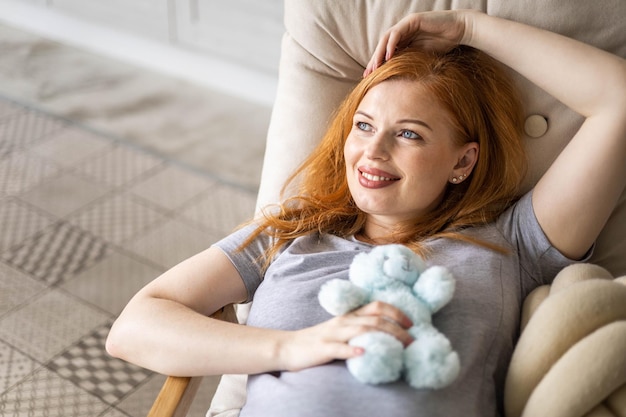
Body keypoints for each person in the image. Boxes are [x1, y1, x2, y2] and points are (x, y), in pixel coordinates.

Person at [106, 10, 626, 417]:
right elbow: (133, 327)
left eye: (408, 134)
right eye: (363, 125)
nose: (371, 153)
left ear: (462, 162)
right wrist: (295, 349)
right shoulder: (292, 232)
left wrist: (470, 26)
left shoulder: (511, 242)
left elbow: (619, 99)